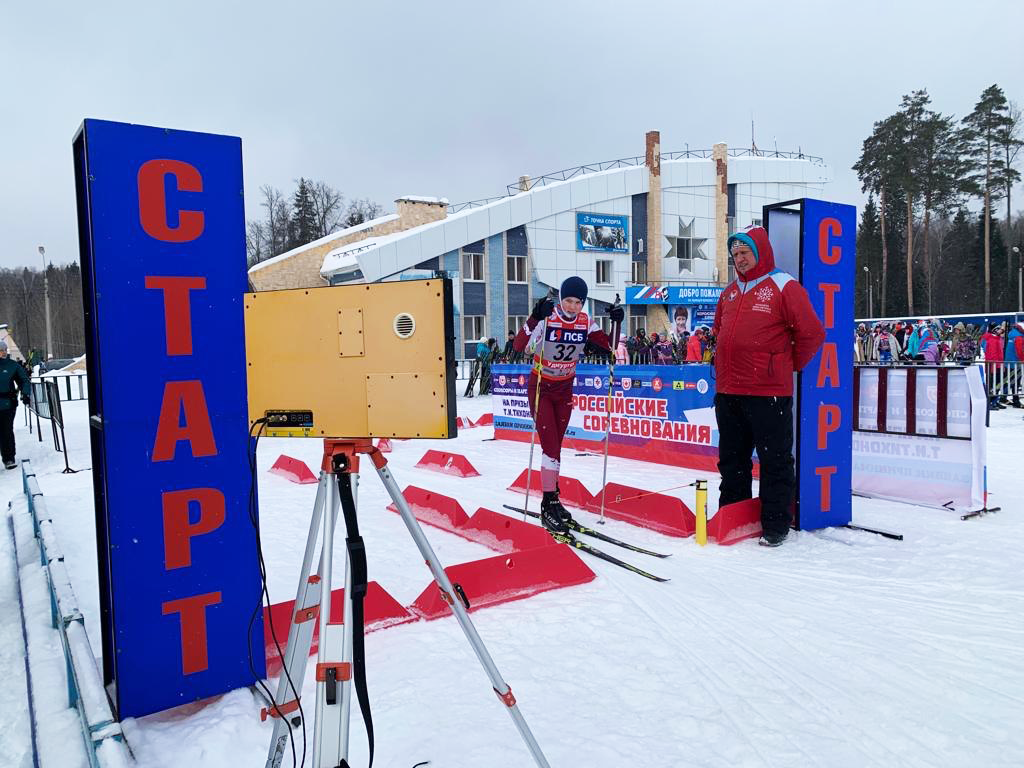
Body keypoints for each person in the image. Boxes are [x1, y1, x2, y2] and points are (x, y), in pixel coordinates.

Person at [713, 227, 825, 547]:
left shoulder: (784, 286)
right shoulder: (730, 292)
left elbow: (812, 332)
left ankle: (776, 524)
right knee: (732, 460)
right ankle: (733, 515)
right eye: (735, 254)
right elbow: (720, 329)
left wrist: (788, 366)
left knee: (774, 460)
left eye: (745, 252)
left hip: (768, 392)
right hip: (730, 391)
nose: (740, 259)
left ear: (760, 251)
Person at [513, 277, 624, 532]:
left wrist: (617, 320)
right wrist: (534, 317)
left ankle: (553, 499)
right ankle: (547, 503)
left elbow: (610, 346)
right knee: (549, 446)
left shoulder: (585, 322)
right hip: (541, 386)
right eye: (568, 301)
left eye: (578, 302)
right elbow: (519, 345)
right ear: (561, 298)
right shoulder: (548, 317)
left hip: (564, 388)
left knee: (556, 447)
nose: (573, 307)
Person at [0, 340, 31, 469]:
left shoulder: (12, 365)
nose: (2, 353)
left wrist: (25, 394)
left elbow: (23, 380)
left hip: (7, 405)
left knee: (6, 431)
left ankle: (8, 458)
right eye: (0, 351)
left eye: (3, 350)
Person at [980, 324, 1004, 409]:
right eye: (999, 329)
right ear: (994, 330)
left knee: (997, 383)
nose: (1001, 331)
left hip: (999, 364)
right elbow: (984, 347)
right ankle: (989, 402)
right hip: (991, 365)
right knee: (991, 384)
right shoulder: (988, 338)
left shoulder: (999, 339)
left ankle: (995, 400)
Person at [1006, 322, 1024, 408]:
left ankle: (1004, 397)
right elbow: (1019, 351)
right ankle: (1016, 400)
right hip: (1016, 362)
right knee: (1016, 382)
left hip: (1009, 362)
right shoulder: (1019, 337)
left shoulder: (1011, 335)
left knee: (1010, 381)